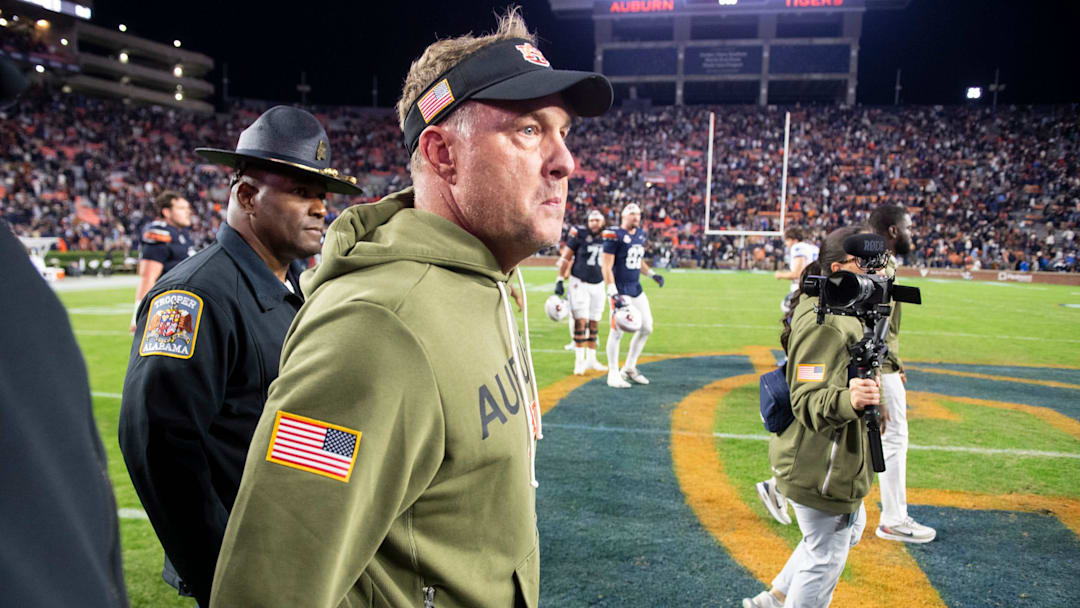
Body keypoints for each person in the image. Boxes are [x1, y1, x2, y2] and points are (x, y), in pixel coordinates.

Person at [210, 9, 612, 608]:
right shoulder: (374, 330)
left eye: (563, 133)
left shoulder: (488, 274)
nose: (564, 161)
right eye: (529, 130)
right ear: (443, 154)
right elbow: (269, 587)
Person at [118, 105, 361, 607]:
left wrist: (355, 452)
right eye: (300, 191)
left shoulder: (292, 286)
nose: (321, 208)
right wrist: (224, 577)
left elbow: (272, 424)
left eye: (322, 194)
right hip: (248, 573)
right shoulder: (194, 296)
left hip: (298, 556)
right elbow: (157, 446)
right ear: (247, 195)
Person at [742, 226, 877, 608]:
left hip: (824, 458)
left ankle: (774, 598)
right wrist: (850, 399)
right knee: (825, 556)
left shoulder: (830, 303)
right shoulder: (826, 322)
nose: (873, 270)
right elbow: (807, 398)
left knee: (842, 535)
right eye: (863, 263)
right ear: (838, 268)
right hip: (820, 463)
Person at [867, 204, 936, 544]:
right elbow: (870, 325)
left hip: (881, 361)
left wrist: (896, 361)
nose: (912, 233)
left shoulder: (878, 260)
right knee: (893, 438)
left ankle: (779, 486)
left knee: (850, 434)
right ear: (893, 231)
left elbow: (885, 324)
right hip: (875, 364)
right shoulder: (877, 263)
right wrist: (881, 373)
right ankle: (893, 519)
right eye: (908, 227)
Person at [602, 202, 664, 388]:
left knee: (647, 327)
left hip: (635, 287)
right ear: (623, 216)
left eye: (638, 214)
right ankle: (612, 373)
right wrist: (612, 291)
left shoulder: (640, 234)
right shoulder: (614, 235)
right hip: (619, 289)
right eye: (632, 214)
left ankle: (629, 367)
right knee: (617, 331)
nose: (636, 217)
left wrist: (652, 274)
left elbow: (637, 261)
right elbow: (606, 265)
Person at [130, 190, 195, 333]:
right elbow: (148, 275)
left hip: (186, 304)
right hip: (169, 308)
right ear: (166, 212)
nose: (188, 212)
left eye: (188, 208)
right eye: (182, 208)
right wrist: (138, 314)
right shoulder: (159, 232)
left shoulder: (181, 232)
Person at [556, 208, 610, 375]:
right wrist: (559, 279)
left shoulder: (608, 237)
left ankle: (591, 359)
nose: (594, 223)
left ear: (603, 222)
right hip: (579, 282)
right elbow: (566, 257)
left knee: (594, 323)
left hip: (599, 284)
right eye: (591, 220)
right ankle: (579, 362)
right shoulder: (579, 234)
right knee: (581, 322)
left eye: (597, 220)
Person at [774, 226, 819, 314]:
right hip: (815, 286)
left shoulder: (798, 247)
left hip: (803, 288)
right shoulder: (812, 247)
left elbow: (799, 273)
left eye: (787, 240)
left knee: (786, 307)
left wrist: (780, 275)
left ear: (793, 239)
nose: (786, 243)